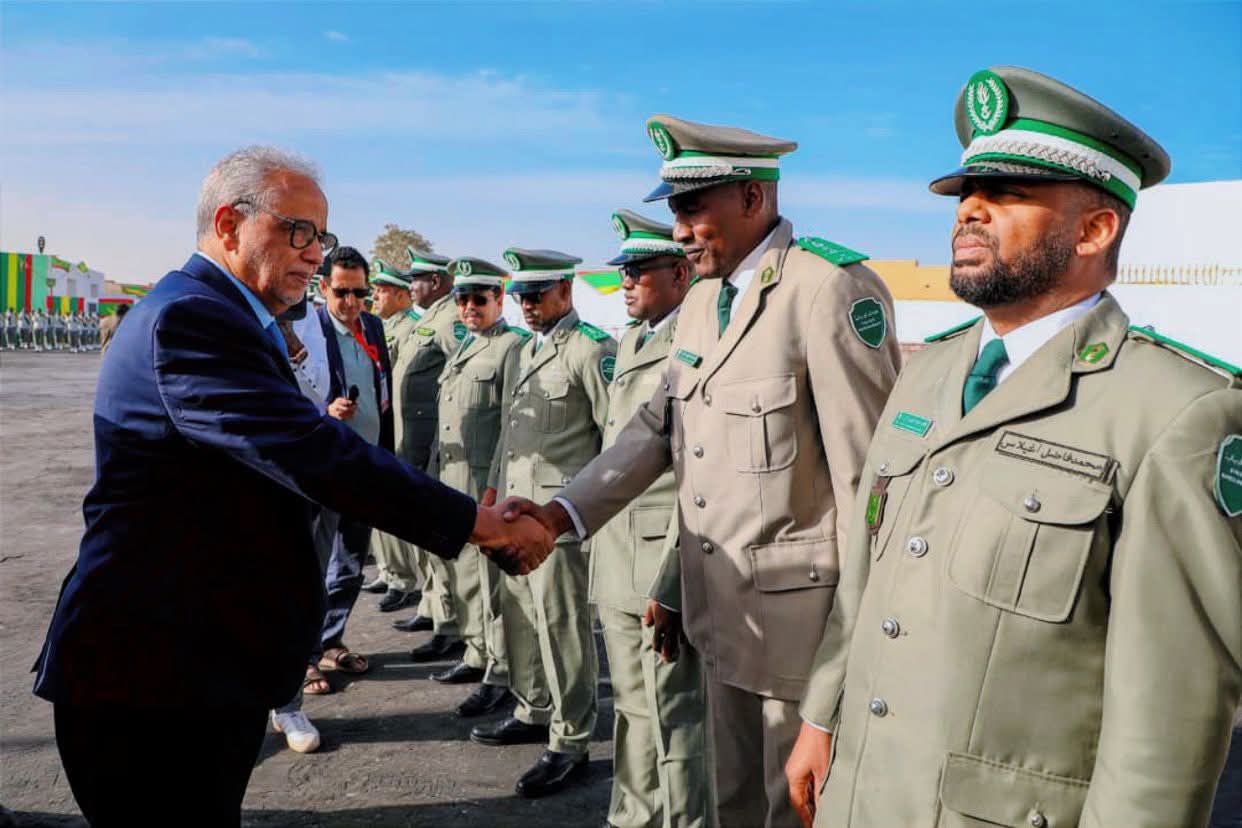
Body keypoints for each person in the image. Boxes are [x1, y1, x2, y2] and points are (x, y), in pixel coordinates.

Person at [31, 145, 553, 828]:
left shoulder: (222, 314)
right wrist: (480, 525)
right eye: (298, 231)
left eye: (322, 237)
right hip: (152, 676)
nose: (315, 253)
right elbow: (314, 453)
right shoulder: (191, 319)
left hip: (193, 664)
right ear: (229, 225)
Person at [784, 66, 1242, 828]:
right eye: (967, 193)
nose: (969, 209)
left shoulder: (1176, 413)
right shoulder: (926, 374)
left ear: (1095, 230)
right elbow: (867, 581)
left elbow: (1169, 716)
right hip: (863, 796)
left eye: (1006, 193)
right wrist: (820, 716)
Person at [504, 115, 901, 828]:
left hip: (801, 639)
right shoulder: (700, 306)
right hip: (720, 620)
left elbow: (870, 489)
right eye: (675, 212)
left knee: (793, 812)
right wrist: (561, 516)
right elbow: (655, 433)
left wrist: (849, 663)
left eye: (692, 209)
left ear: (752, 197)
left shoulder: (828, 290)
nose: (680, 231)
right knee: (730, 804)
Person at [471, 248, 617, 799]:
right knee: (521, 618)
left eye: (537, 295)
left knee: (561, 628)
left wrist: (592, 515)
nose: (528, 306)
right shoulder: (523, 350)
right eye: (521, 297)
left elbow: (615, 442)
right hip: (513, 513)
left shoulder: (590, 350)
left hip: (560, 523)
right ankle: (532, 708)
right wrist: (491, 489)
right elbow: (510, 434)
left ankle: (570, 738)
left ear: (566, 291)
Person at [592, 210, 709, 828]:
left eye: (638, 271)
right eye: (623, 272)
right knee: (633, 711)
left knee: (677, 718)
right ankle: (632, 816)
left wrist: (672, 582)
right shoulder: (633, 340)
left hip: (660, 566)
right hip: (617, 558)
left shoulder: (696, 344)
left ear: (680, 274)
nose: (626, 283)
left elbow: (701, 479)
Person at [433, 256, 530, 716]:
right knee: (466, 580)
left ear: (499, 299)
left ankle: (501, 671)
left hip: (484, 486)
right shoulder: (464, 345)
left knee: (493, 588)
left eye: (479, 299)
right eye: (462, 298)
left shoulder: (512, 347)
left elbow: (511, 425)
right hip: (452, 481)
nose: (469, 307)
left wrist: (493, 487)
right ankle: (476, 652)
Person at [312, 246, 393, 679]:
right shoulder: (308, 329)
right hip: (325, 465)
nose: (351, 302)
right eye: (342, 292)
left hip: (366, 463)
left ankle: (330, 640)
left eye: (360, 293)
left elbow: (384, 394)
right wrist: (324, 411)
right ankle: (303, 657)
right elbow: (287, 392)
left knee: (349, 562)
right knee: (314, 561)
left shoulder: (373, 327)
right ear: (324, 286)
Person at [387, 248, 469, 665]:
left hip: (435, 449)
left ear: (435, 282)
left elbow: (463, 372)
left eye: (415, 280)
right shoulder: (430, 318)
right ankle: (434, 608)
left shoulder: (450, 319)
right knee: (423, 535)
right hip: (415, 447)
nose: (411, 287)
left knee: (439, 539)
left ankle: (449, 624)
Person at [364, 257, 425, 614]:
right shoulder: (380, 327)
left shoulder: (414, 327)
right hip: (384, 430)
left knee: (399, 508)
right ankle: (389, 571)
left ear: (403, 296)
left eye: (382, 290)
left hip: (405, 432)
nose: (375, 297)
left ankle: (404, 578)